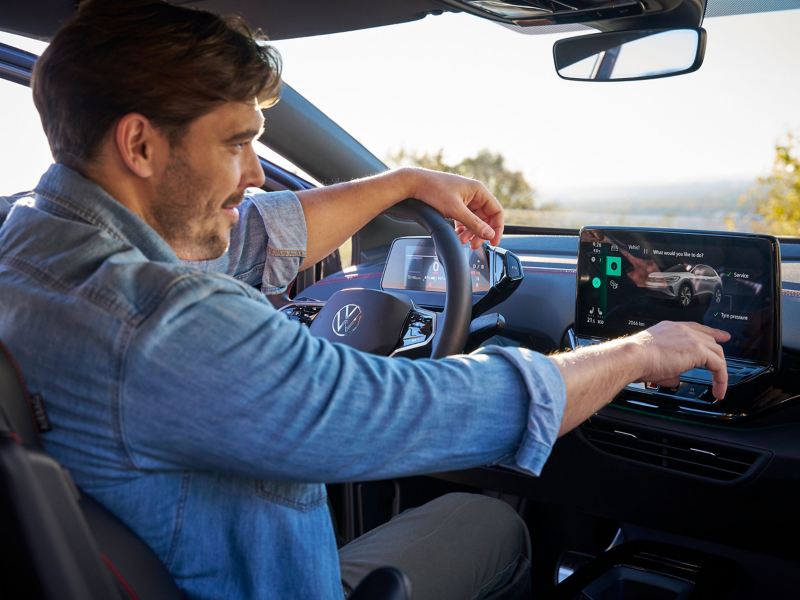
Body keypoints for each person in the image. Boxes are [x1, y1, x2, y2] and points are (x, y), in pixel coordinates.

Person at [0, 1, 730, 598]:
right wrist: (637, 352)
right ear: (141, 145)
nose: (256, 173)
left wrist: (402, 182)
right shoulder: (162, 326)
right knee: (491, 524)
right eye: (236, 142)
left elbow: (243, 237)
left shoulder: (32, 242)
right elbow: (421, 408)